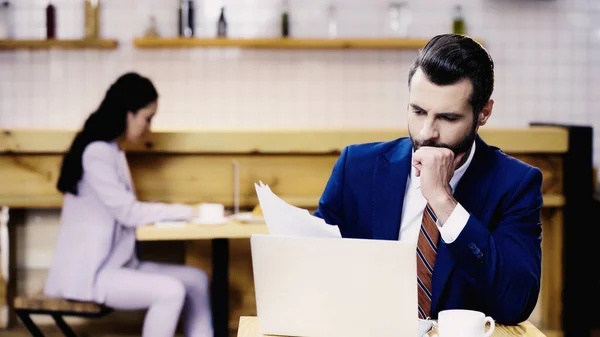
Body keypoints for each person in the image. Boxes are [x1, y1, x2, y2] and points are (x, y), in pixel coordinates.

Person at [314, 34, 542, 326]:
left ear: (483, 113)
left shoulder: (515, 184)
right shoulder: (356, 168)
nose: (426, 133)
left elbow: (516, 303)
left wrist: (444, 202)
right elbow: (314, 261)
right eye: (418, 111)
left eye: (447, 118)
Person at [44, 72, 213, 337]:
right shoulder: (97, 153)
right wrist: (188, 211)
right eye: (148, 118)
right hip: (96, 274)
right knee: (171, 292)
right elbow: (128, 212)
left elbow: (128, 210)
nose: (149, 127)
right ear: (128, 113)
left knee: (197, 280)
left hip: (121, 265)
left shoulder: (113, 151)